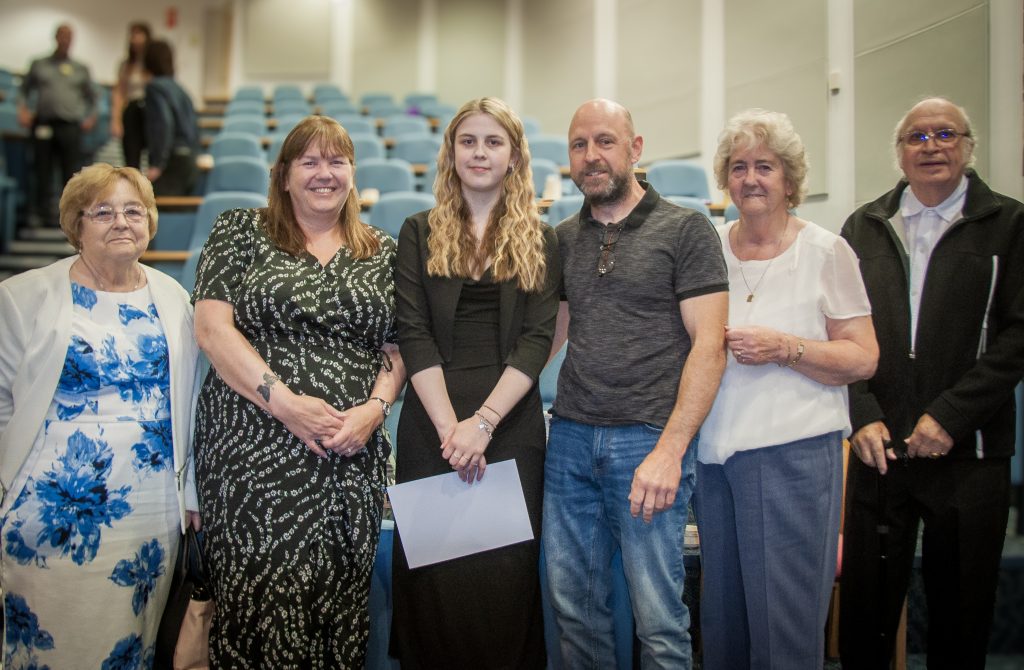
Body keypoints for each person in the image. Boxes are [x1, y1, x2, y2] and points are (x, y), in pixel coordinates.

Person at [191, 114, 405, 667]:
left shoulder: (381, 250)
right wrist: (286, 405)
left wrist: (374, 412)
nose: (324, 173)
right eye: (308, 161)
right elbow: (212, 330)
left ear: (353, 174)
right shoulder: (239, 229)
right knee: (261, 609)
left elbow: (400, 350)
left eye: (336, 161)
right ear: (283, 174)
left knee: (339, 609)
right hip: (252, 452)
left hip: (351, 453)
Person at [838, 97, 1024, 669]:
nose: (931, 146)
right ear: (899, 153)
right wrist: (862, 412)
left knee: (960, 619)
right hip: (880, 451)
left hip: (968, 452)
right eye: (917, 137)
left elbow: (1018, 335)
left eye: (946, 134)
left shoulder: (1011, 225)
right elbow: (835, 331)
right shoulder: (863, 226)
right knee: (865, 621)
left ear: (969, 147)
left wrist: (950, 416)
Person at [543, 99, 728, 669]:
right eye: (579, 145)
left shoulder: (686, 228)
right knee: (576, 612)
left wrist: (670, 451)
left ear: (635, 148)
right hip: (570, 440)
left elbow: (710, 346)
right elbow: (549, 339)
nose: (591, 156)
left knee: (659, 621)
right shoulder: (563, 238)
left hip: (647, 441)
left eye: (605, 141)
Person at [696, 109, 878, 668]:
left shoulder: (826, 251)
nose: (751, 178)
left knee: (786, 632)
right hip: (714, 460)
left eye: (766, 166)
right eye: (739, 166)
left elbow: (863, 356)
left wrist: (787, 348)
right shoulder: (707, 250)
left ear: (790, 180)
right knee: (722, 626)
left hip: (793, 458)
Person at [0, 163, 201, 668]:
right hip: (48, 512)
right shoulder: (22, 297)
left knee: (131, 647)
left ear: (151, 222)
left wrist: (193, 489)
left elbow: (195, 403)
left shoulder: (174, 297)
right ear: (76, 225)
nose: (121, 222)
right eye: (103, 212)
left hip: (150, 515)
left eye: (134, 211)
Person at [390, 96, 559, 669]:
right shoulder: (417, 232)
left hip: (508, 426)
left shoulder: (541, 237)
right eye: (468, 141)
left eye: (493, 142)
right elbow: (413, 334)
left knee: (502, 583)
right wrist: (451, 431)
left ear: (514, 156)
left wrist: (482, 424)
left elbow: (537, 341)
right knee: (435, 581)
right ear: (451, 153)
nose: (480, 153)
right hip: (431, 425)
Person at [16, 23, 97, 226]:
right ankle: (42, 214)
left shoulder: (80, 68)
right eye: (62, 35)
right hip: (44, 124)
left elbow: (93, 98)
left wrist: (91, 117)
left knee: (70, 173)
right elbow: (23, 91)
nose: (65, 39)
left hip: (70, 126)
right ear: (56, 38)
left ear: (73, 40)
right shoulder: (39, 64)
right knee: (42, 170)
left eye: (69, 36)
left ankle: (69, 217)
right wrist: (23, 110)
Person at [142, 40, 199, 196]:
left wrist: (157, 164)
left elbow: (163, 124)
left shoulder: (154, 88)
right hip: (189, 160)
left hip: (171, 162)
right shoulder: (180, 89)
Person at [111, 22, 151, 169]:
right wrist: (116, 120)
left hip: (150, 111)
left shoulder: (153, 63)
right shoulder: (126, 65)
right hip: (132, 110)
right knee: (131, 158)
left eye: (139, 34)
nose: (135, 38)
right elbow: (119, 92)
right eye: (133, 35)